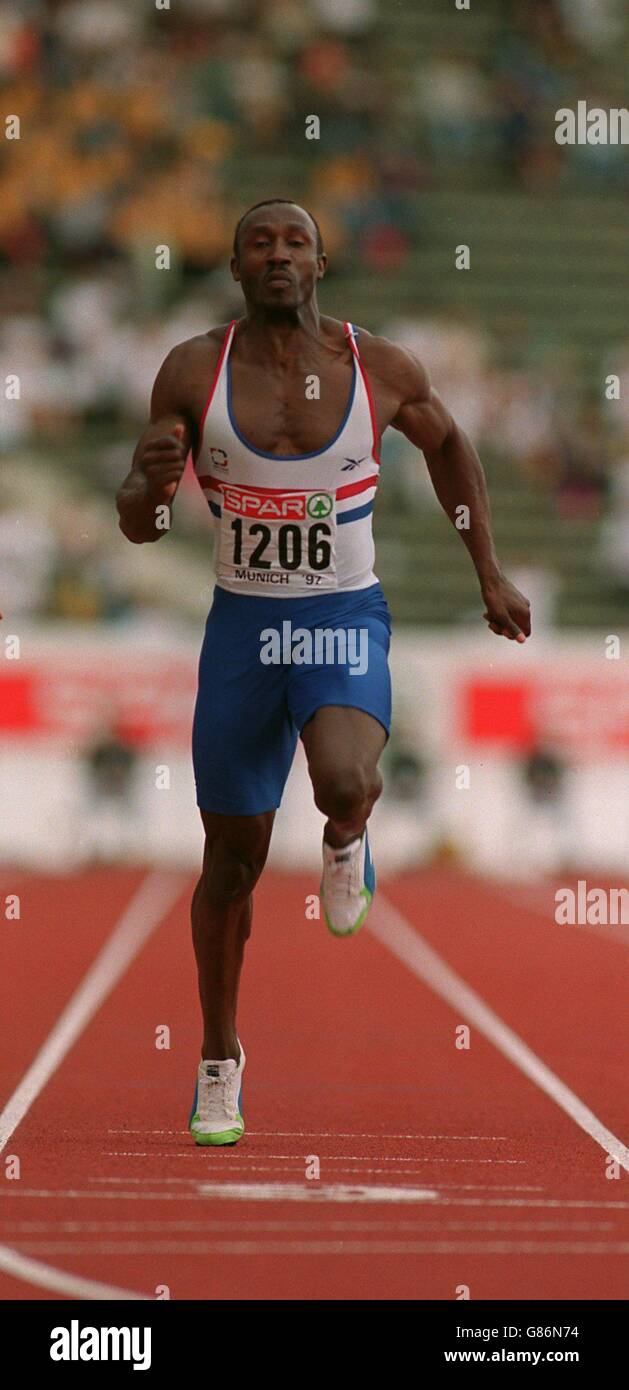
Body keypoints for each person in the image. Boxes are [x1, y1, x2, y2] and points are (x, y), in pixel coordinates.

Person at [116, 198, 530, 1145]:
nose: (276, 255)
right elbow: (141, 526)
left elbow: (450, 448)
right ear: (232, 266)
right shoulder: (191, 370)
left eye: (293, 242)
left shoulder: (378, 367)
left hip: (342, 614)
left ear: (320, 262)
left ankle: (346, 836)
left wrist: (488, 571)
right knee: (233, 862)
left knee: (345, 778)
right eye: (259, 243)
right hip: (242, 632)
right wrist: (144, 488)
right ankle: (219, 1059)